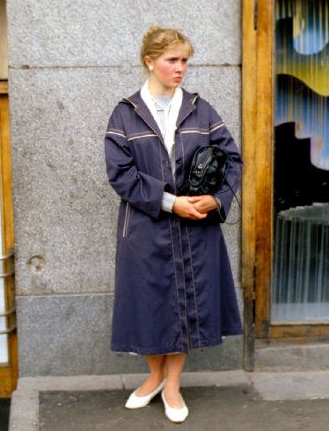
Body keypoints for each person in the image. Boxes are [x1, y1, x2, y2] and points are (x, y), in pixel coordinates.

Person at [104, 26, 243, 423]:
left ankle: (174, 385)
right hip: (145, 229)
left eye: (185, 60)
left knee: (184, 303)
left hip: (196, 227)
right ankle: (153, 377)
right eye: (172, 60)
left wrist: (216, 198)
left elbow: (233, 159)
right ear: (150, 61)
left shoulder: (201, 109)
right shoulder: (125, 113)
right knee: (150, 303)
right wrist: (170, 202)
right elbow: (120, 173)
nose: (181, 68)